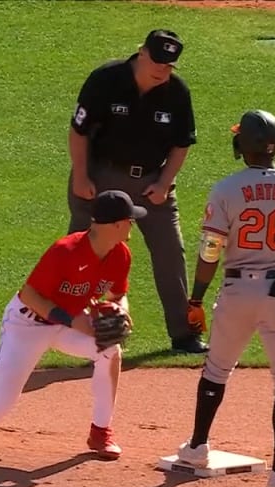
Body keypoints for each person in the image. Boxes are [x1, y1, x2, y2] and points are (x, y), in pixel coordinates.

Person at [0, 190, 147, 460]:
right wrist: (73, 321)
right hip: (27, 325)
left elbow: (118, 294)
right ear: (116, 225)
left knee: (110, 350)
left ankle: (100, 431)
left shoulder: (120, 254)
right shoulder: (65, 251)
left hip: (66, 326)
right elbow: (30, 295)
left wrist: (120, 311)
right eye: (130, 220)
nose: (133, 225)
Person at [175, 110, 275, 487]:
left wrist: (195, 299)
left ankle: (196, 447)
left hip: (236, 291)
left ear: (242, 145)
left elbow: (210, 251)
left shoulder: (225, 190)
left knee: (217, 369)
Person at [65, 29, 208, 354]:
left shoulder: (176, 92)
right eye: (157, 61)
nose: (162, 70)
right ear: (141, 53)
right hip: (101, 177)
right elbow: (79, 131)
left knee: (171, 253)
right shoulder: (107, 79)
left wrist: (165, 182)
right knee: (80, 255)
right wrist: (81, 174)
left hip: (151, 183)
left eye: (169, 65)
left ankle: (184, 334)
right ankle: (65, 327)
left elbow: (181, 144)